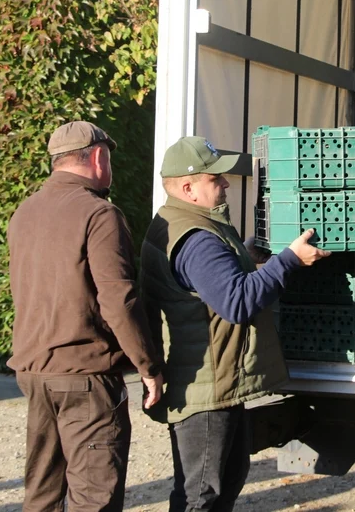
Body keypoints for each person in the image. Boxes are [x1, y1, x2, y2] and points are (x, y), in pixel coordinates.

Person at [140, 136, 331, 512]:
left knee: (226, 479)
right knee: (201, 496)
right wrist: (288, 260)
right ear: (188, 187)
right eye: (216, 179)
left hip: (215, 384)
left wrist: (246, 255)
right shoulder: (196, 238)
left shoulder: (184, 222)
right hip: (205, 393)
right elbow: (237, 302)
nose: (226, 184)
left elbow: (209, 285)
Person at [7, 121, 164, 511]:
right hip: (84, 376)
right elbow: (118, 299)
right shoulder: (98, 214)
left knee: (42, 493)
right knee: (94, 496)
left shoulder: (24, 212)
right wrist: (148, 366)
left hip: (34, 371)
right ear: (98, 157)